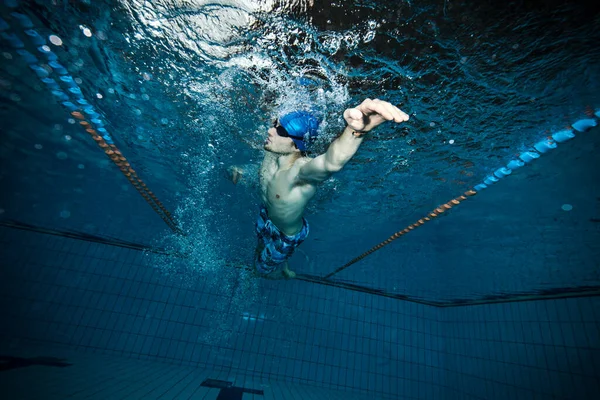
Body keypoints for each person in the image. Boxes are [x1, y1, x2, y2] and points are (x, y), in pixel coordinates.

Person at [254, 99, 409, 279]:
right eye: (275, 124)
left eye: (280, 130)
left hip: (285, 236)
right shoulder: (273, 149)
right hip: (266, 215)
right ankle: (282, 262)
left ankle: (281, 271)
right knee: (260, 242)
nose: (270, 130)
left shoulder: (298, 172)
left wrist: (357, 129)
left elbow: (331, 163)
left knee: (260, 269)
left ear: (297, 145)